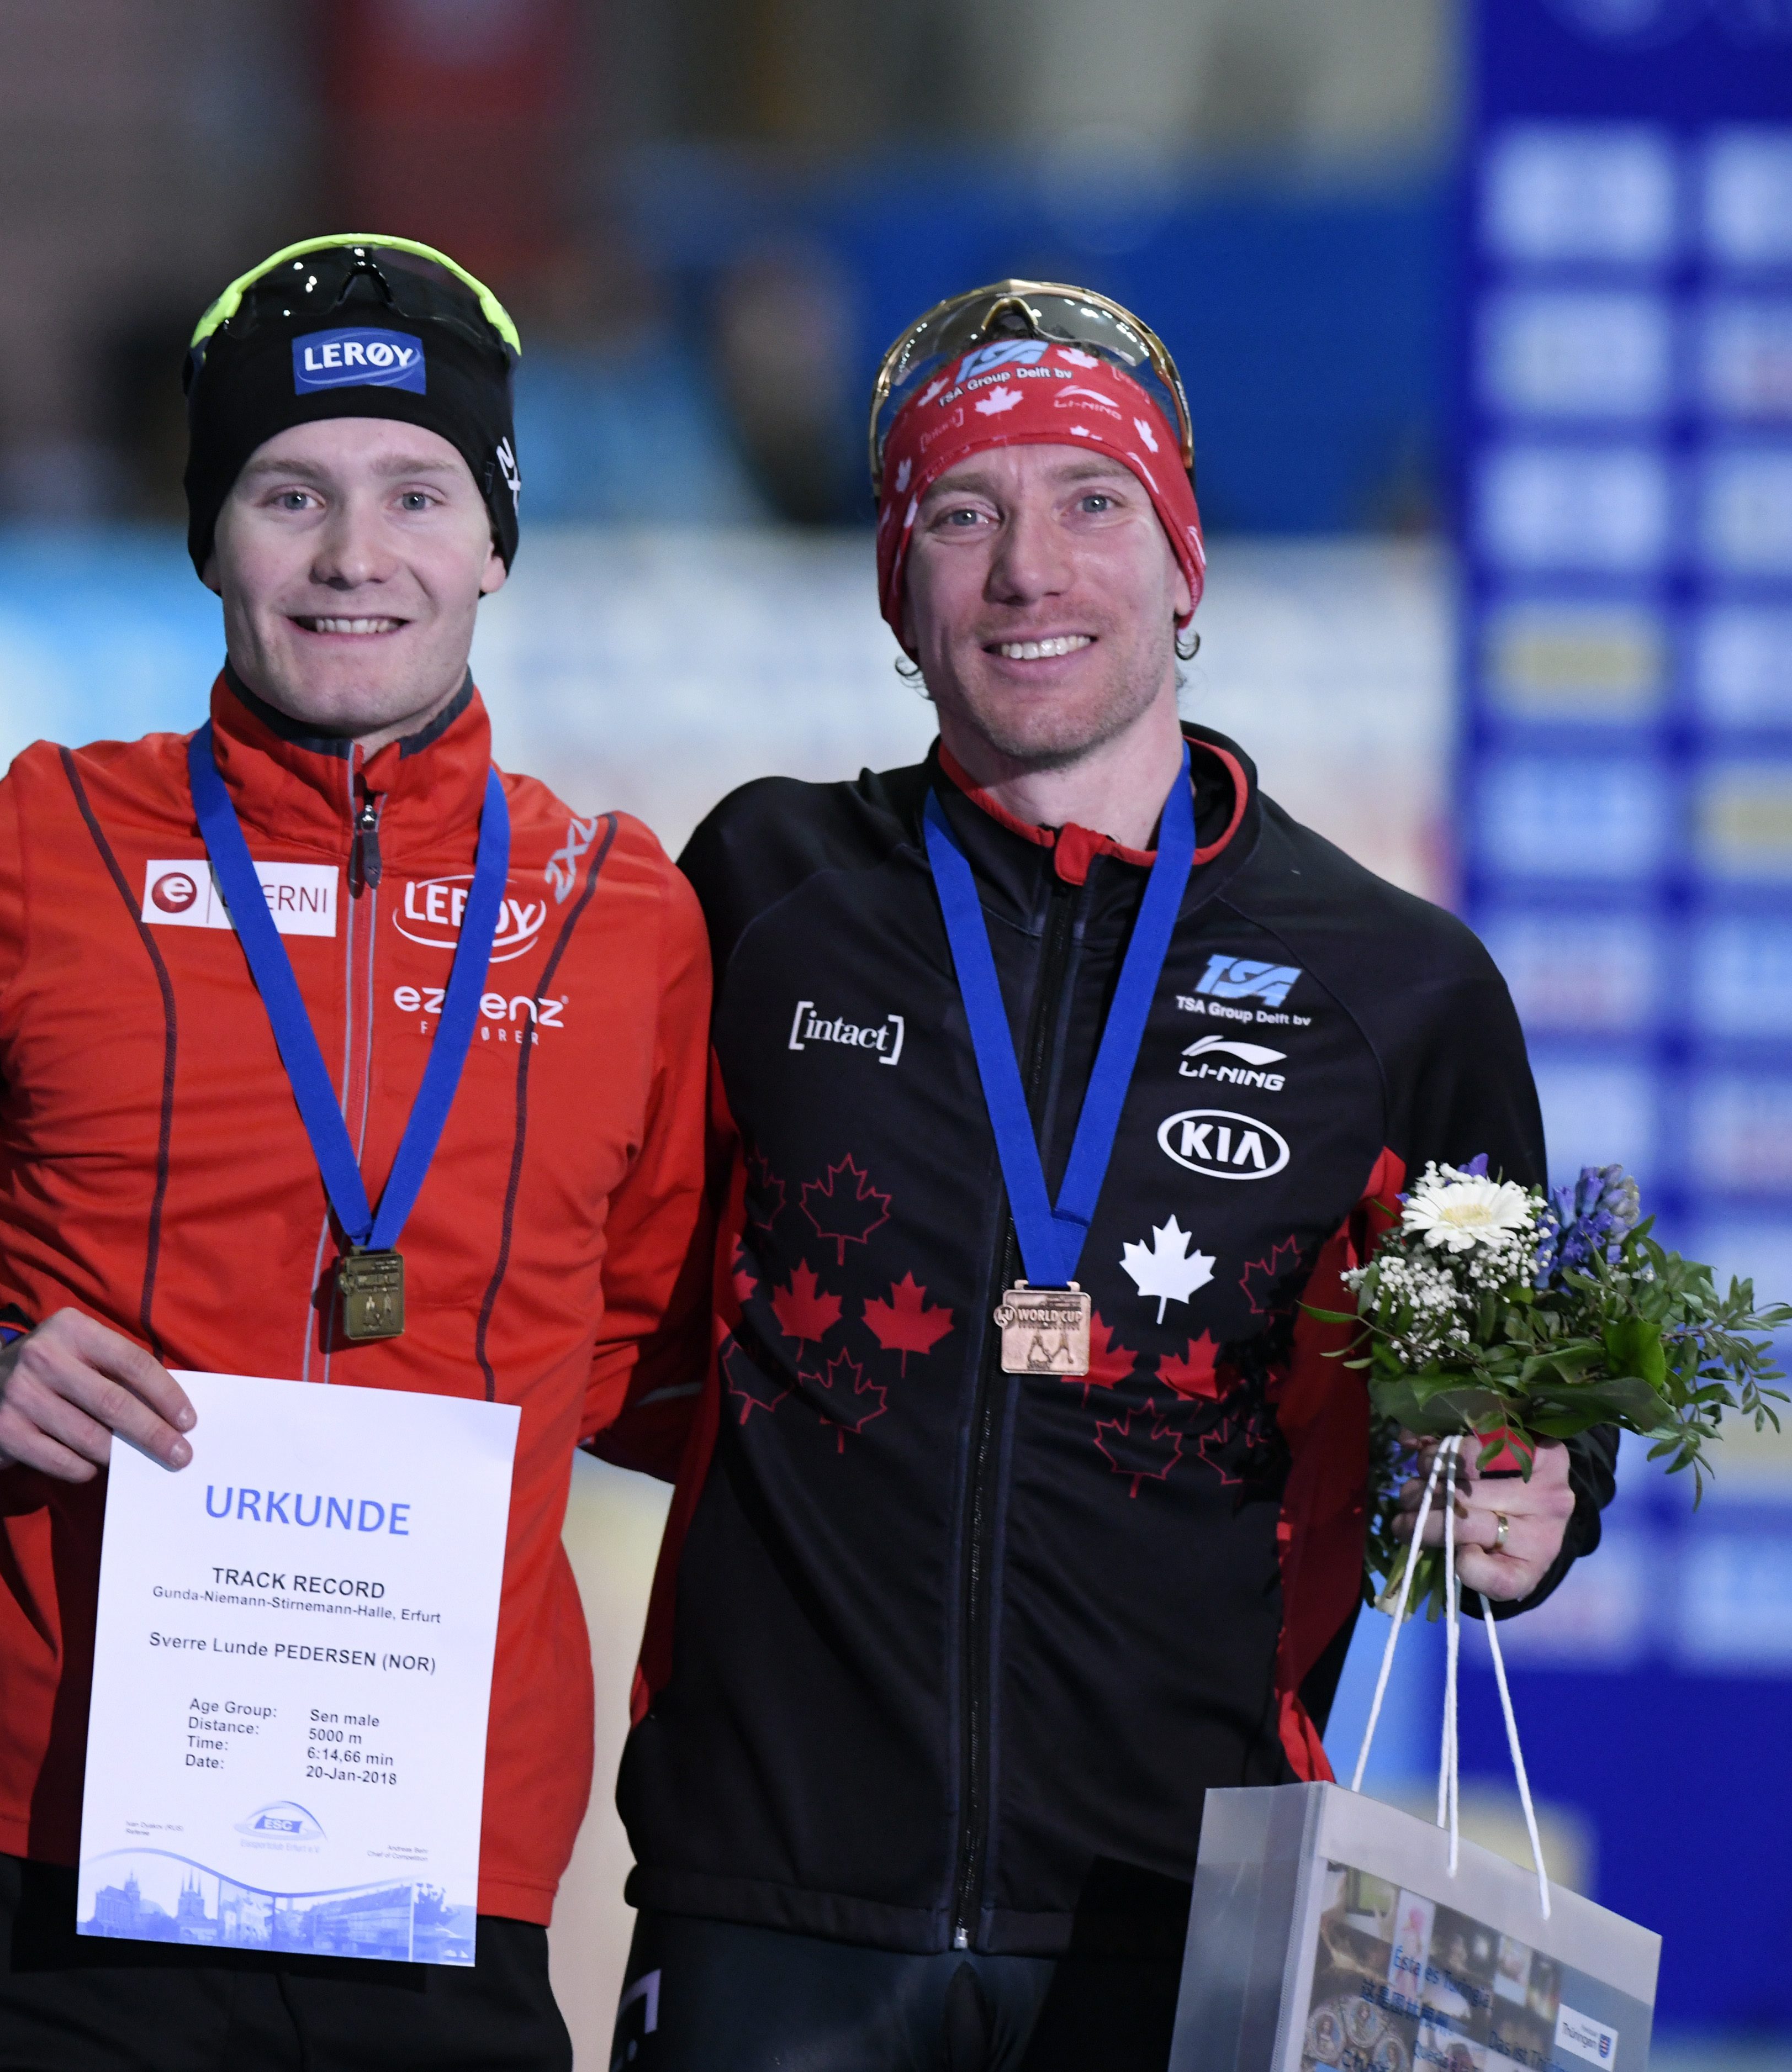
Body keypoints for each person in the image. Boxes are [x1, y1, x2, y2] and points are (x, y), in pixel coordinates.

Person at [605, 282, 1617, 2070]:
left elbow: (1520, 1392)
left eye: (1091, 502)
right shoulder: (766, 889)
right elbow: (598, 1267)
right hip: (771, 1896)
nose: (1026, 572)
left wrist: (1527, 1502)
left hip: (1183, 1915)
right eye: (963, 513)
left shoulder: (1391, 982)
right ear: (897, 591)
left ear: (1185, 566)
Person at [0, 236, 712, 2071]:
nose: (356, 558)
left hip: (440, 1846)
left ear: (497, 539)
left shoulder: (623, 914)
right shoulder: (30, 850)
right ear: (210, 531)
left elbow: (647, 1345)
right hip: (44, 1831)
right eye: (289, 492)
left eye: (416, 494)